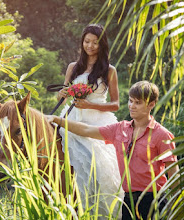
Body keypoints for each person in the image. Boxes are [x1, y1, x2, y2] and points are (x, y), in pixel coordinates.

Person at [47, 81, 179, 220]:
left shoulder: (162, 135)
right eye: (130, 101)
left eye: (138, 103)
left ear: (151, 104)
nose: (132, 106)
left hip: (154, 202)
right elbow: (86, 130)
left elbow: (174, 175)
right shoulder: (119, 129)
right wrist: (57, 119)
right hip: (128, 202)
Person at [57, 24, 124, 218]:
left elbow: (116, 104)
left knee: (99, 163)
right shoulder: (73, 67)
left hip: (98, 120)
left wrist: (89, 105)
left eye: (95, 42)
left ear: (102, 44)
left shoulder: (109, 70)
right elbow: (63, 96)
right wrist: (63, 93)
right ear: (82, 42)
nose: (90, 46)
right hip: (73, 116)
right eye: (87, 42)